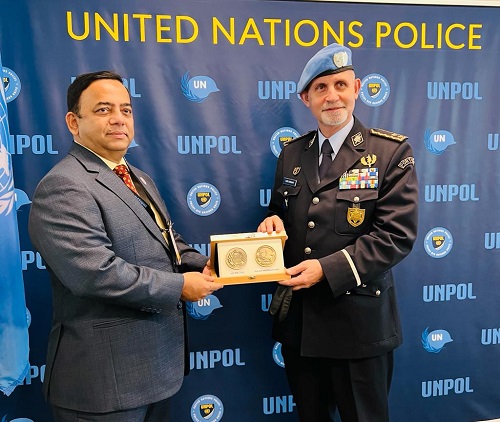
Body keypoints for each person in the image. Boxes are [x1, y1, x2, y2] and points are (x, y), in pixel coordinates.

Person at [28, 70, 223, 421]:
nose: (119, 119)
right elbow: (95, 274)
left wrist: (209, 263)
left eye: (126, 109)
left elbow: (168, 241)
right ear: (73, 122)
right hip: (103, 385)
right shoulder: (63, 186)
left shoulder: (137, 176)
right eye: (103, 110)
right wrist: (180, 286)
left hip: (157, 372)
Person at [257, 43, 418, 422]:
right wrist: (271, 223)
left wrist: (325, 270)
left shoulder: (390, 153)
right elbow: (280, 210)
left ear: (357, 89)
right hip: (301, 325)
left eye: (341, 85)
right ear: (306, 99)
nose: (332, 96)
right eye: (321, 88)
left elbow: (395, 236)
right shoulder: (292, 154)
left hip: (358, 325)